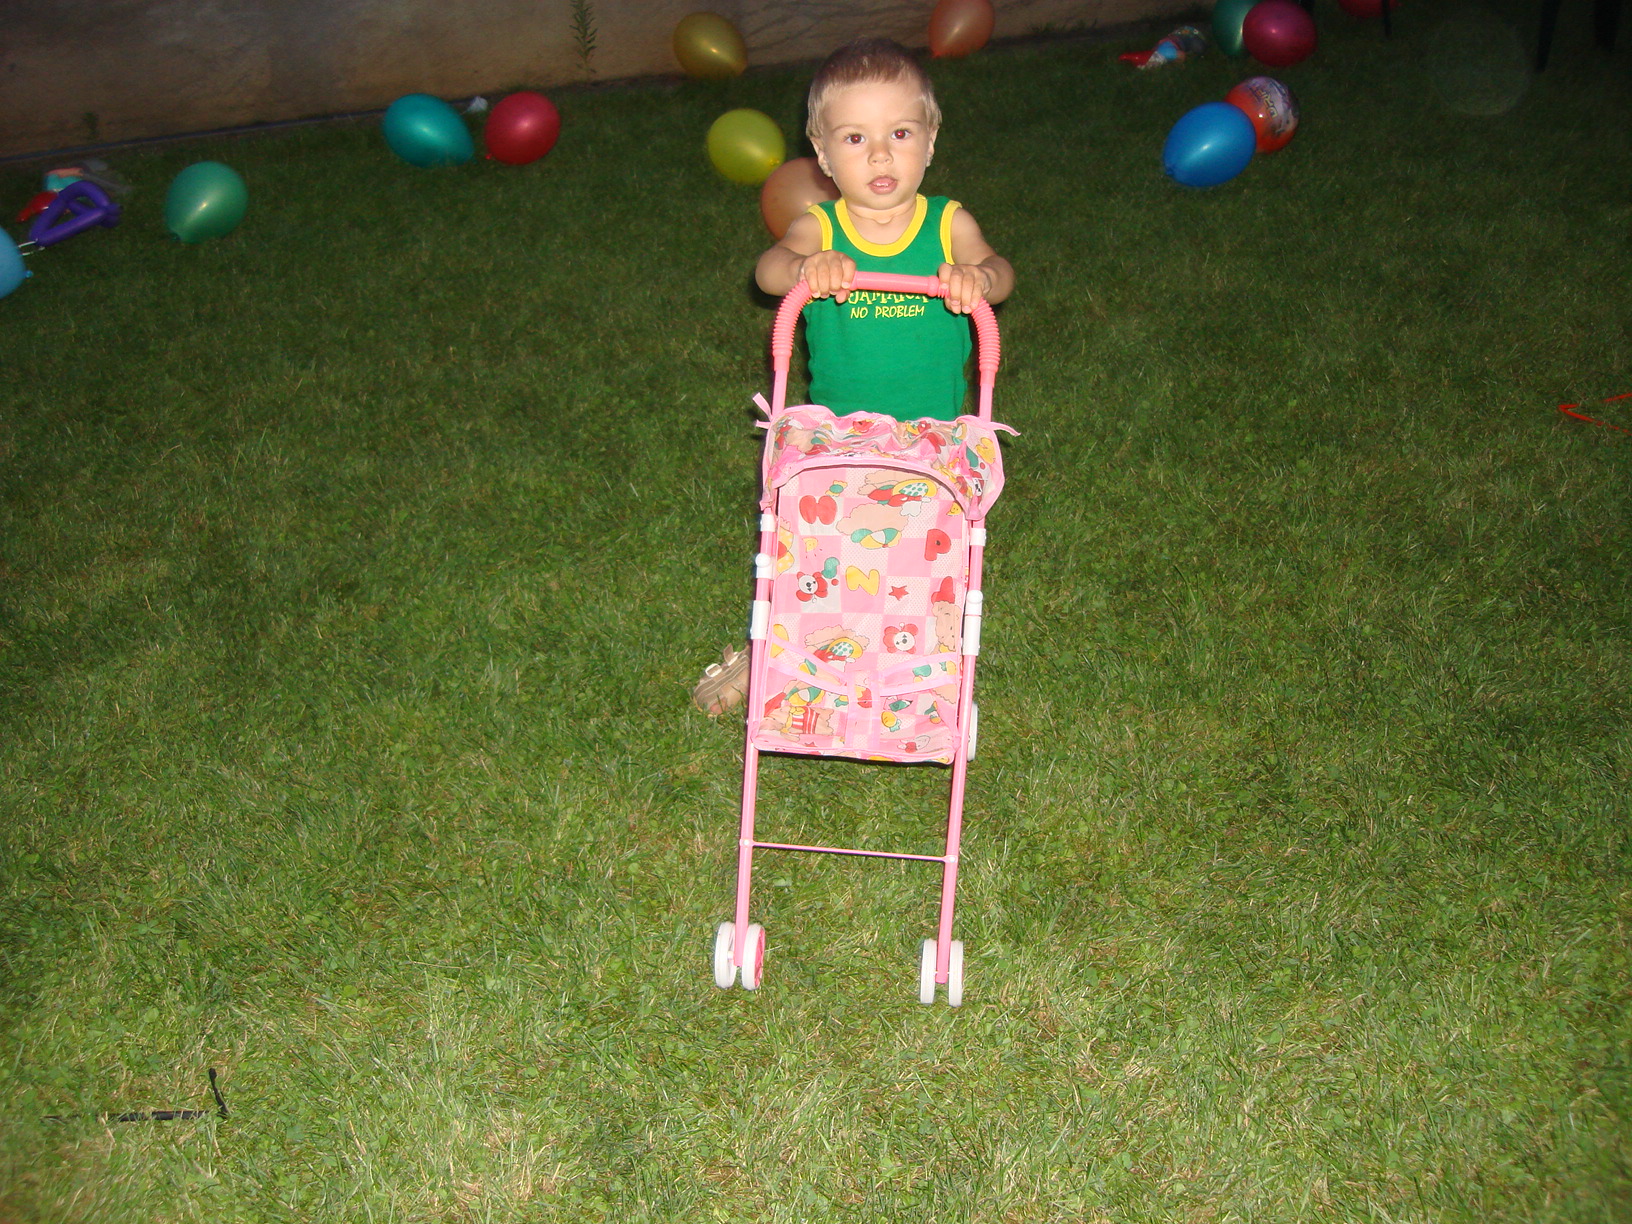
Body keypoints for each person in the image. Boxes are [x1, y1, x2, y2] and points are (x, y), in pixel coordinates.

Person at [692, 36, 1013, 715]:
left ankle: (922, 655)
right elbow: (769, 270)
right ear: (822, 153)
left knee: (924, 558)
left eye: (900, 133)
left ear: (930, 141)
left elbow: (1000, 271)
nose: (880, 156)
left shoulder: (947, 223)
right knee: (812, 552)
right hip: (840, 436)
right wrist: (805, 267)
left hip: (931, 436)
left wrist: (978, 276)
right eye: (855, 138)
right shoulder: (820, 226)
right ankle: (772, 647)